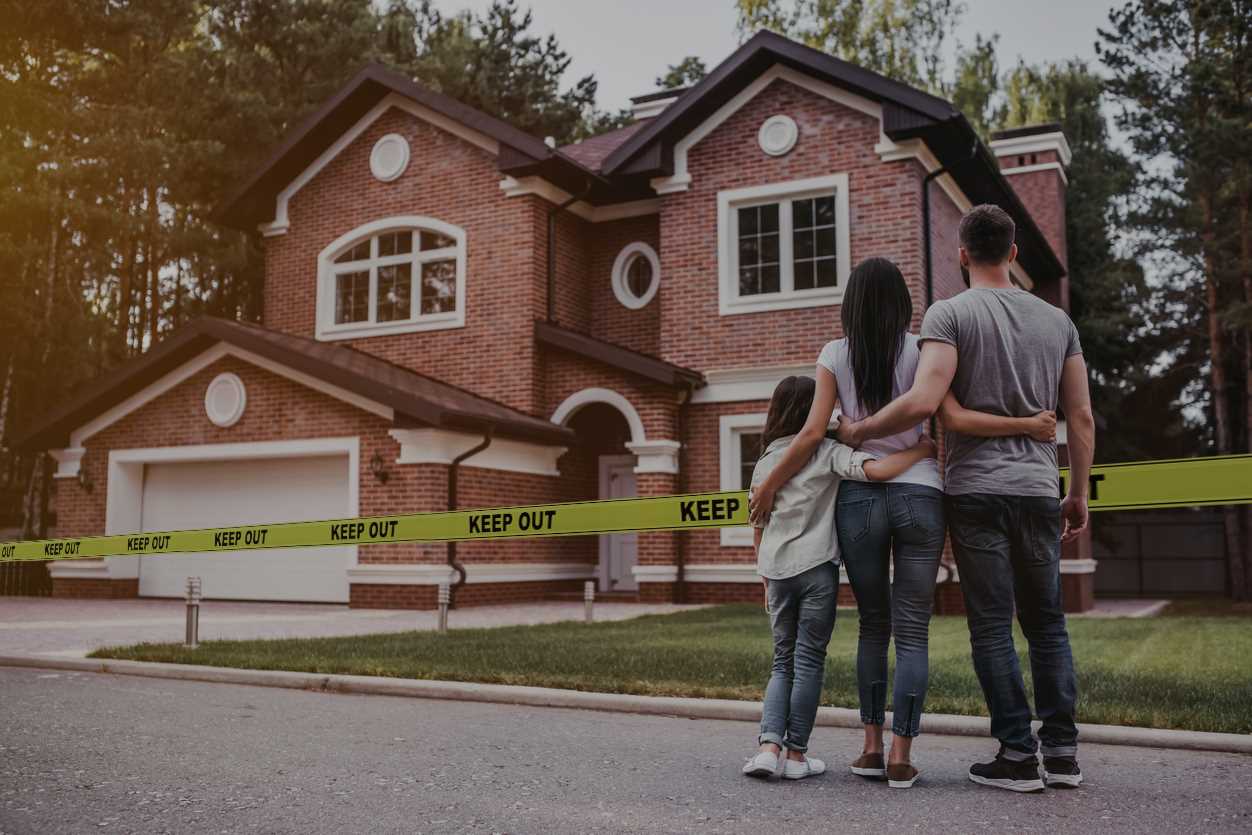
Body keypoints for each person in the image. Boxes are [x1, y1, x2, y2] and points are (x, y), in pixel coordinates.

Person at [748, 257, 1055, 790]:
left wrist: (771, 483)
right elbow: (947, 413)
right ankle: (900, 756)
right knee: (913, 632)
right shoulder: (924, 349)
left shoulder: (834, 354)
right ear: (904, 305)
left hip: (860, 501)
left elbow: (811, 433)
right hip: (920, 494)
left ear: (850, 304)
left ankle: (868, 748)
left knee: (873, 624)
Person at [834, 205, 1096, 793]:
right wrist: (1075, 491)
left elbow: (927, 402)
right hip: (1035, 490)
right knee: (1048, 624)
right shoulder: (1058, 322)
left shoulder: (949, 315)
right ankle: (1062, 753)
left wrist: (859, 430)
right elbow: (1079, 414)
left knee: (993, 627)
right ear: (1014, 253)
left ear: (960, 254)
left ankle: (1016, 755)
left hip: (975, 491)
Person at [742, 375, 938, 781]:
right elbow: (879, 471)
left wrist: (763, 573)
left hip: (776, 573)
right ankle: (796, 756)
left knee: (782, 662)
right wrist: (921, 450)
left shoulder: (764, 461)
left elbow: (758, 524)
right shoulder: (829, 452)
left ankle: (766, 748)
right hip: (817, 571)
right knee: (809, 661)